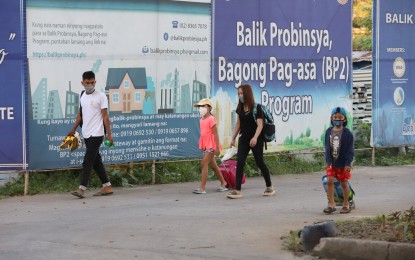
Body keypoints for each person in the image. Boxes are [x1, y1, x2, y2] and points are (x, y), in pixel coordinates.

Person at [68, 71, 114, 198]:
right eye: (87, 83)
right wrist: (73, 129)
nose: (90, 85)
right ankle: (107, 186)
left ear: (95, 82)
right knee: (96, 161)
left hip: (97, 134)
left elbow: (105, 117)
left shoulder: (101, 96)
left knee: (87, 161)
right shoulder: (82, 95)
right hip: (86, 133)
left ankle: (81, 189)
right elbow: (80, 115)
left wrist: (109, 134)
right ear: (82, 83)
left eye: (92, 82)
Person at [227, 84, 275, 199]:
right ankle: (237, 190)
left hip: (256, 139)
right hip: (243, 138)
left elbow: (260, 125)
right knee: (240, 162)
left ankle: (269, 186)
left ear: (247, 94)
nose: (240, 96)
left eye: (242, 93)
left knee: (260, 162)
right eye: (238, 94)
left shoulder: (256, 108)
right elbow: (238, 124)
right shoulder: (240, 108)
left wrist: (255, 138)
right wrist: (233, 138)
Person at [193, 98, 228, 194]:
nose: (201, 108)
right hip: (207, 146)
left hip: (212, 146)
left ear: (209, 108)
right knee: (214, 166)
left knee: (204, 163)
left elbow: (215, 134)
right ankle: (223, 183)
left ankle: (202, 188)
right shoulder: (201, 120)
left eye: (203, 106)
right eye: (199, 107)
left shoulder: (211, 119)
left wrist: (217, 147)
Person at [323, 106, 354, 214]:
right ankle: (331, 204)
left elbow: (350, 149)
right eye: (335, 117)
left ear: (344, 119)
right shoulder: (328, 132)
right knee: (330, 181)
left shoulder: (347, 133)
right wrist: (328, 161)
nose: (337, 119)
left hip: (342, 164)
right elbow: (327, 147)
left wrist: (348, 163)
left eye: (340, 117)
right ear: (331, 118)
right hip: (331, 163)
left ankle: (346, 204)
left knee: (343, 183)